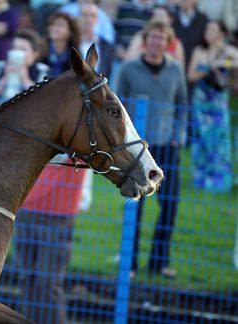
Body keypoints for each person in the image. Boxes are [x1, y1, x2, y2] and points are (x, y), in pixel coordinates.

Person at [116, 20, 187, 278]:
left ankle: (160, 261)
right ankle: (130, 263)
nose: (157, 42)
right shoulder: (128, 68)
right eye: (153, 37)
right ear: (146, 40)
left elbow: (182, 105)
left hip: (167, 145)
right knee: (135, 205)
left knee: (170, 205)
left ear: (168, 43)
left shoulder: (175, 70)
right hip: (138, 149)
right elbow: (117, 105)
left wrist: (178, 136)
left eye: (162, 38)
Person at [16, 157, 86, 324]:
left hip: (58, 216)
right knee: (28, 278)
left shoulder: (79, 136)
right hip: (26, 210)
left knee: (48, 281)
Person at [187, 21, 238, 192]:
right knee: (201, 140)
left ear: (222, 34)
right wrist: (210, 67)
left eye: (213, 30)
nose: (208, 32)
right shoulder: (199, 51)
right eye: (207, 29)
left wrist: (224, 64)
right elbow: (191, 75)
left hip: (218, 104)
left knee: (219, 141)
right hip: (201, 103)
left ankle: (220, 182)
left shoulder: (229, 51)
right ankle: (201, 180)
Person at [0, 29, 49, 100]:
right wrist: (6, 76)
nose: (16, 52)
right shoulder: (2, 67)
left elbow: (39, 97)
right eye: (14, 48)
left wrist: (25, 78)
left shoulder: (41, 71)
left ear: (35, 54)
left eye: (22, 49)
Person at [78, 1, 115, 78]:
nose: (88, 19)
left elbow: (107, 73)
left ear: (97, 19)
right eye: (85, 15)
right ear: (78, 17)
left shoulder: (106, 46)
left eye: (93, 16)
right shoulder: (70, 42)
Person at [41, 12, 81, 77]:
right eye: (51, 24)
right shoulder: (40, 52)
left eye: (60, 25)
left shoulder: (76, 57)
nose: (54, 27)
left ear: (70, 32)